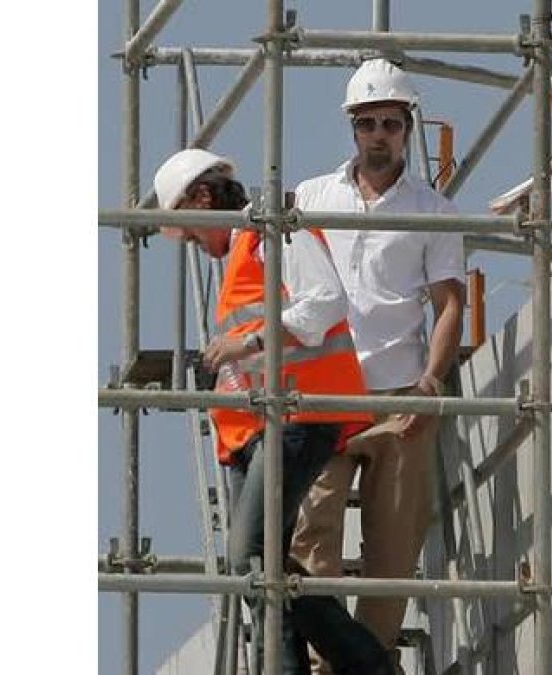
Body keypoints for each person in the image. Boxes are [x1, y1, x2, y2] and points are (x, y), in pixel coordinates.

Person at [152, 148, 394, 675]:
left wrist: (248, 343)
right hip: (271, 423)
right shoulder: (244, 252)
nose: (193, 244)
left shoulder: (274, 229)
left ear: (202, 198)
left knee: (249, 560)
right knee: (261, 571)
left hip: (303, 415)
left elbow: (325, 302)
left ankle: (371, 666)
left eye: (189, 230)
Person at [288, 59, 467, 674]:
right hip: (326, 393)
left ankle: (366, 662)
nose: (379, 134)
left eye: (391, 122)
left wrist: (430, 384)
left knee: (393, 548)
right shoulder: (314, 198)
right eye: (368, 123)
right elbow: (285, 287)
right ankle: (323, 660)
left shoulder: (432, 210)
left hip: (398, 398)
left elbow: (450, 305)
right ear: (352, 128)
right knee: (312, 534)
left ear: (408, 128)